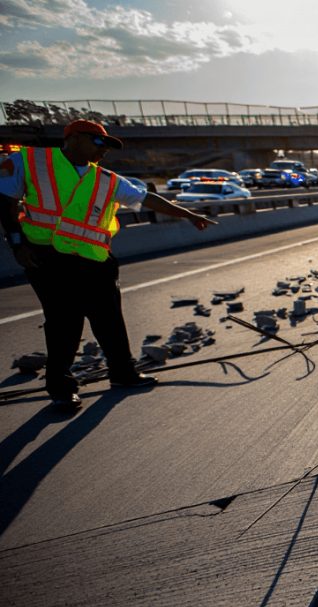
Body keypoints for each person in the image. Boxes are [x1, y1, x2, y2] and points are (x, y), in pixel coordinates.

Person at [0, 119, 217, 413]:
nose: (103, 152)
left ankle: (123, 373)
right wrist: (17, 244)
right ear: (74, 138)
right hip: (47, 257)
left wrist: (188, 214)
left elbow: (146, 197)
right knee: (64, 321)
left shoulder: (106, 179)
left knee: (109, 318)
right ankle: (61, 389)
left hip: (95, 259)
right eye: (99, 143)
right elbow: (5, 203)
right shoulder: (31, 161)